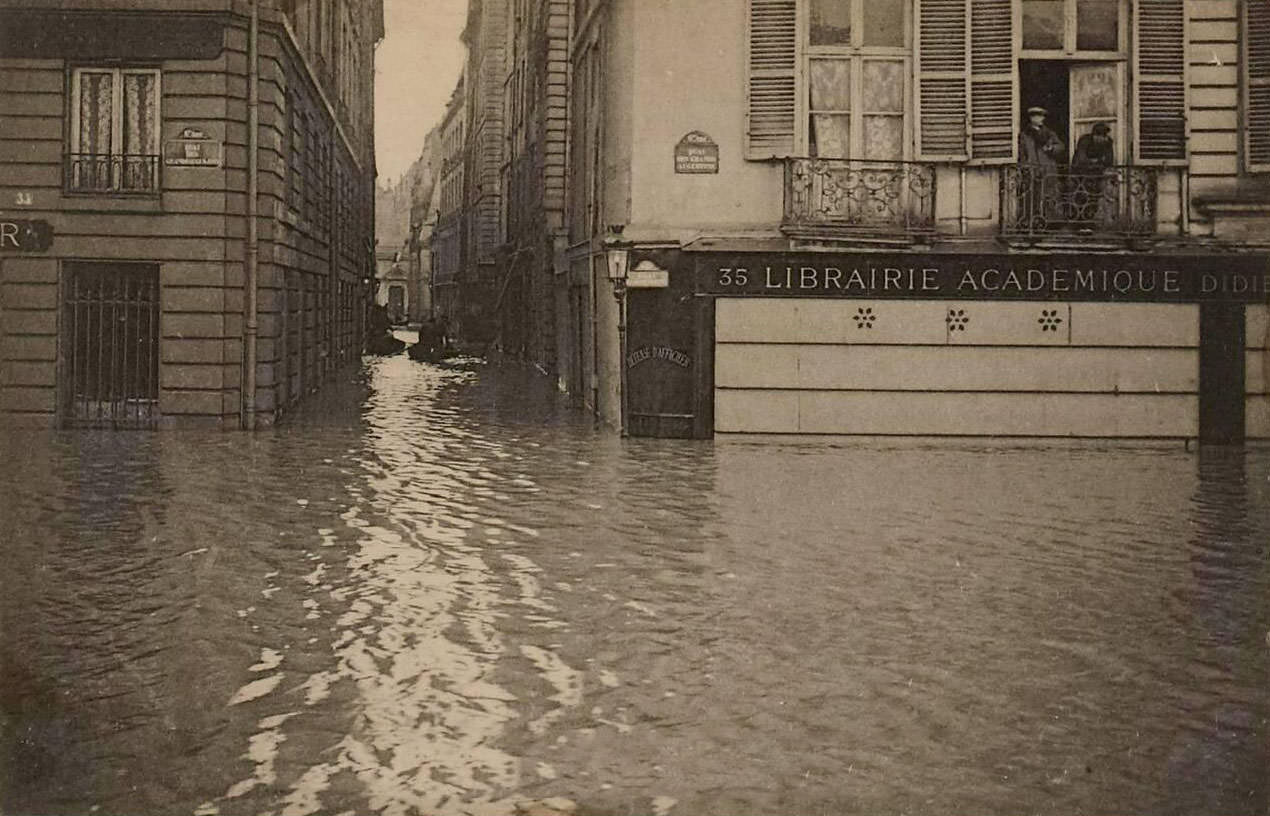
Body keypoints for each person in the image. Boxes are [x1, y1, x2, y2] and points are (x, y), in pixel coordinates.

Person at [1016, 106, 1065, 231]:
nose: (1037, 118)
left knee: (1049, 195)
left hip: (1048, 168)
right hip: (1032, 169)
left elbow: (1060, 147)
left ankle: (1050, 222)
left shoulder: (1050, 133)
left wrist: (1051, 148)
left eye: (1040, 116)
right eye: (1034, 116)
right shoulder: (1024, 135)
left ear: (1043, 118)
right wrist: (1025, 166)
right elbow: (1022, 153)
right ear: (1031, 118)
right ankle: (1032, 223)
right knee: (1032, 197)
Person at [1070, 122, 1115, 229]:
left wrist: (1094, 162)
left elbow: (1109, 160)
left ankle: (1089, 222)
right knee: (1080, 197)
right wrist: (1098, 162)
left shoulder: (1108, 142)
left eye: (1104, 136)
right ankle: (1079, 224)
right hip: (1080, 174)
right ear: (1094, 135)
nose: (1102, 139)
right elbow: (1081, 160)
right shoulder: (1084, 140)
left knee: (1094, 198)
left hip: (1096, 175)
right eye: (1099, 136)